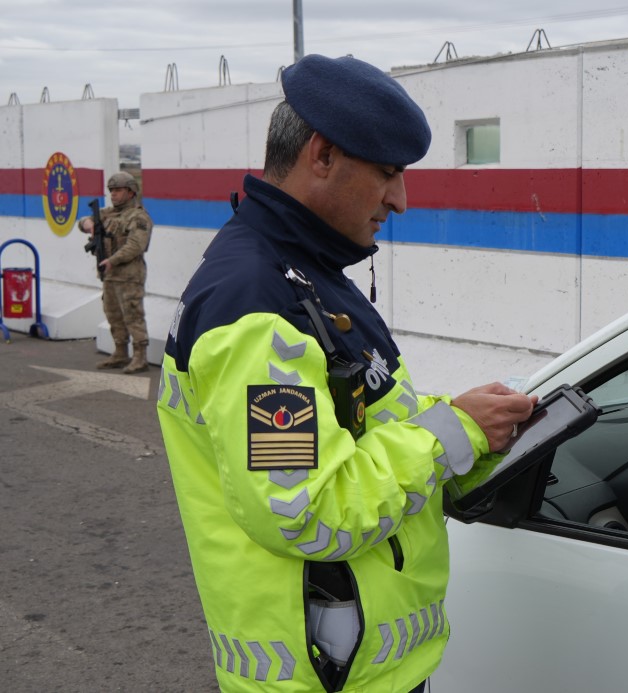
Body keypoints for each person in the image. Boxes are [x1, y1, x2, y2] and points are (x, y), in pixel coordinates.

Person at [155, 54, 536, 693]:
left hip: (363, 670)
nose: (402, 200)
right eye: (388, 174)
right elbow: (306, 508)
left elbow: (361, 417)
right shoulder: (254, 305)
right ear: (323, 155)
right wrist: (456, 432)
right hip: (323, 678)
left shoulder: (306, 274)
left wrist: (469, 418)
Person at [77, 171, 152, 373]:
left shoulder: (139, 217)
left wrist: (112, 260)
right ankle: (120, 352)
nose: (113, 195)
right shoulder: (108, 213)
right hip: (110, 276)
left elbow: (136, 245)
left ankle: (140, 356)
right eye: (111, 191)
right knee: (113, 315)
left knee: (133, 315)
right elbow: (82, 222)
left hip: (129, 276)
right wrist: (87, 223)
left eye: (118, 190)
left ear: (130, 192)